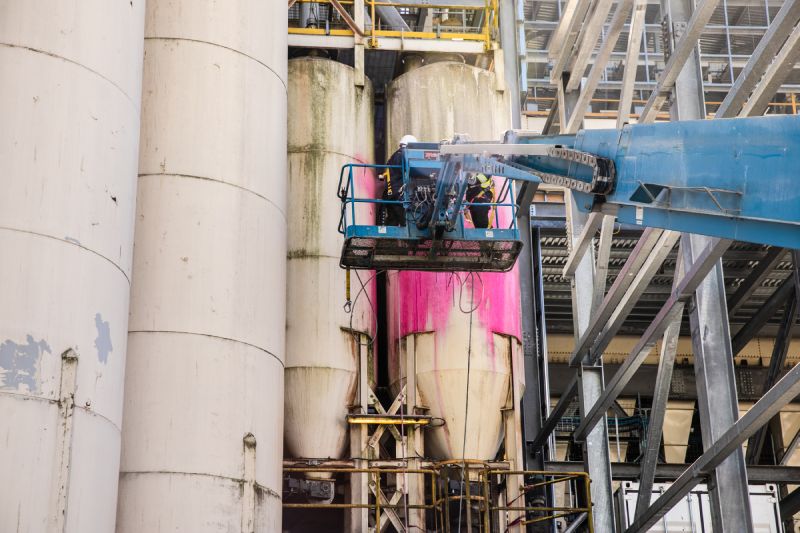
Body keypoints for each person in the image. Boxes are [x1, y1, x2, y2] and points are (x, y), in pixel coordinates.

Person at [378, 134, 417, 226]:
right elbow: (411, 170)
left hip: (390, 192)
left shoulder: (395, 155)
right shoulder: (404, 154)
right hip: (397, 193)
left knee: (393, 219)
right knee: (406, 221)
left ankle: (388, 239)